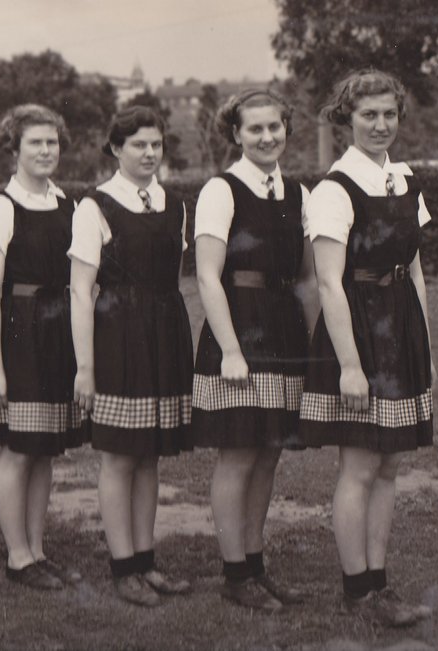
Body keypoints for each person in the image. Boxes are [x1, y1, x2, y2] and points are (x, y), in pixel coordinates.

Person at [301, 69, 436, 627]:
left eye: (389, 114)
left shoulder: (404, 180)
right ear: (347, 119)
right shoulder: (335, 189)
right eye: (368, 115)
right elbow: (329, 283)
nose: (381, 125)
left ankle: (379, 582)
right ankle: (357, 590)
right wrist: (350, 367)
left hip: (400, 328)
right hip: (357, 331)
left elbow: (415, 270)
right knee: (359, 465)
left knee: (389, 465)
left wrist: (425, 347)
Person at [187, 90, 319, 610]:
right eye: (255, 129)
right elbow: (207, 276)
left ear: (286, 129)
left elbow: (307, 279)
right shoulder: (221, 190)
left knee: (269, 452)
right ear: (236, 134)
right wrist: (230, 349)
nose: (267, 137)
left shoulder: (299, 193)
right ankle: (234, 573)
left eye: (275, 127)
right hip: (239, 327)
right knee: (239, 453)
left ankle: (256, 564)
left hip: (284, 329)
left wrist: (316, 346)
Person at [69, 106, 192, 607]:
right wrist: (85, 368)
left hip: (164, 332)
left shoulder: (175, 204)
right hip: (118, 334)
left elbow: (172, 276)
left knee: (150, 454)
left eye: (155, 144)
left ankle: (146, 561)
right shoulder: (94, 206)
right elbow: (81, 292)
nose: (148, 153)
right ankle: (123, 567)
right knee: (120, 455)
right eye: (138, 144)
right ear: (116, 148)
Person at [0, 104, 86, 591]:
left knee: (45, 450)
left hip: (57, 332)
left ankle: (38, 550)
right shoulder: (0, 208)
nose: (45, 151)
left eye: (52, 142)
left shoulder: (68, 206)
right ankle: (17, 557)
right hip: (19, 334)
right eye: (35, 142)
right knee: (20, 449)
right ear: (13, 149)